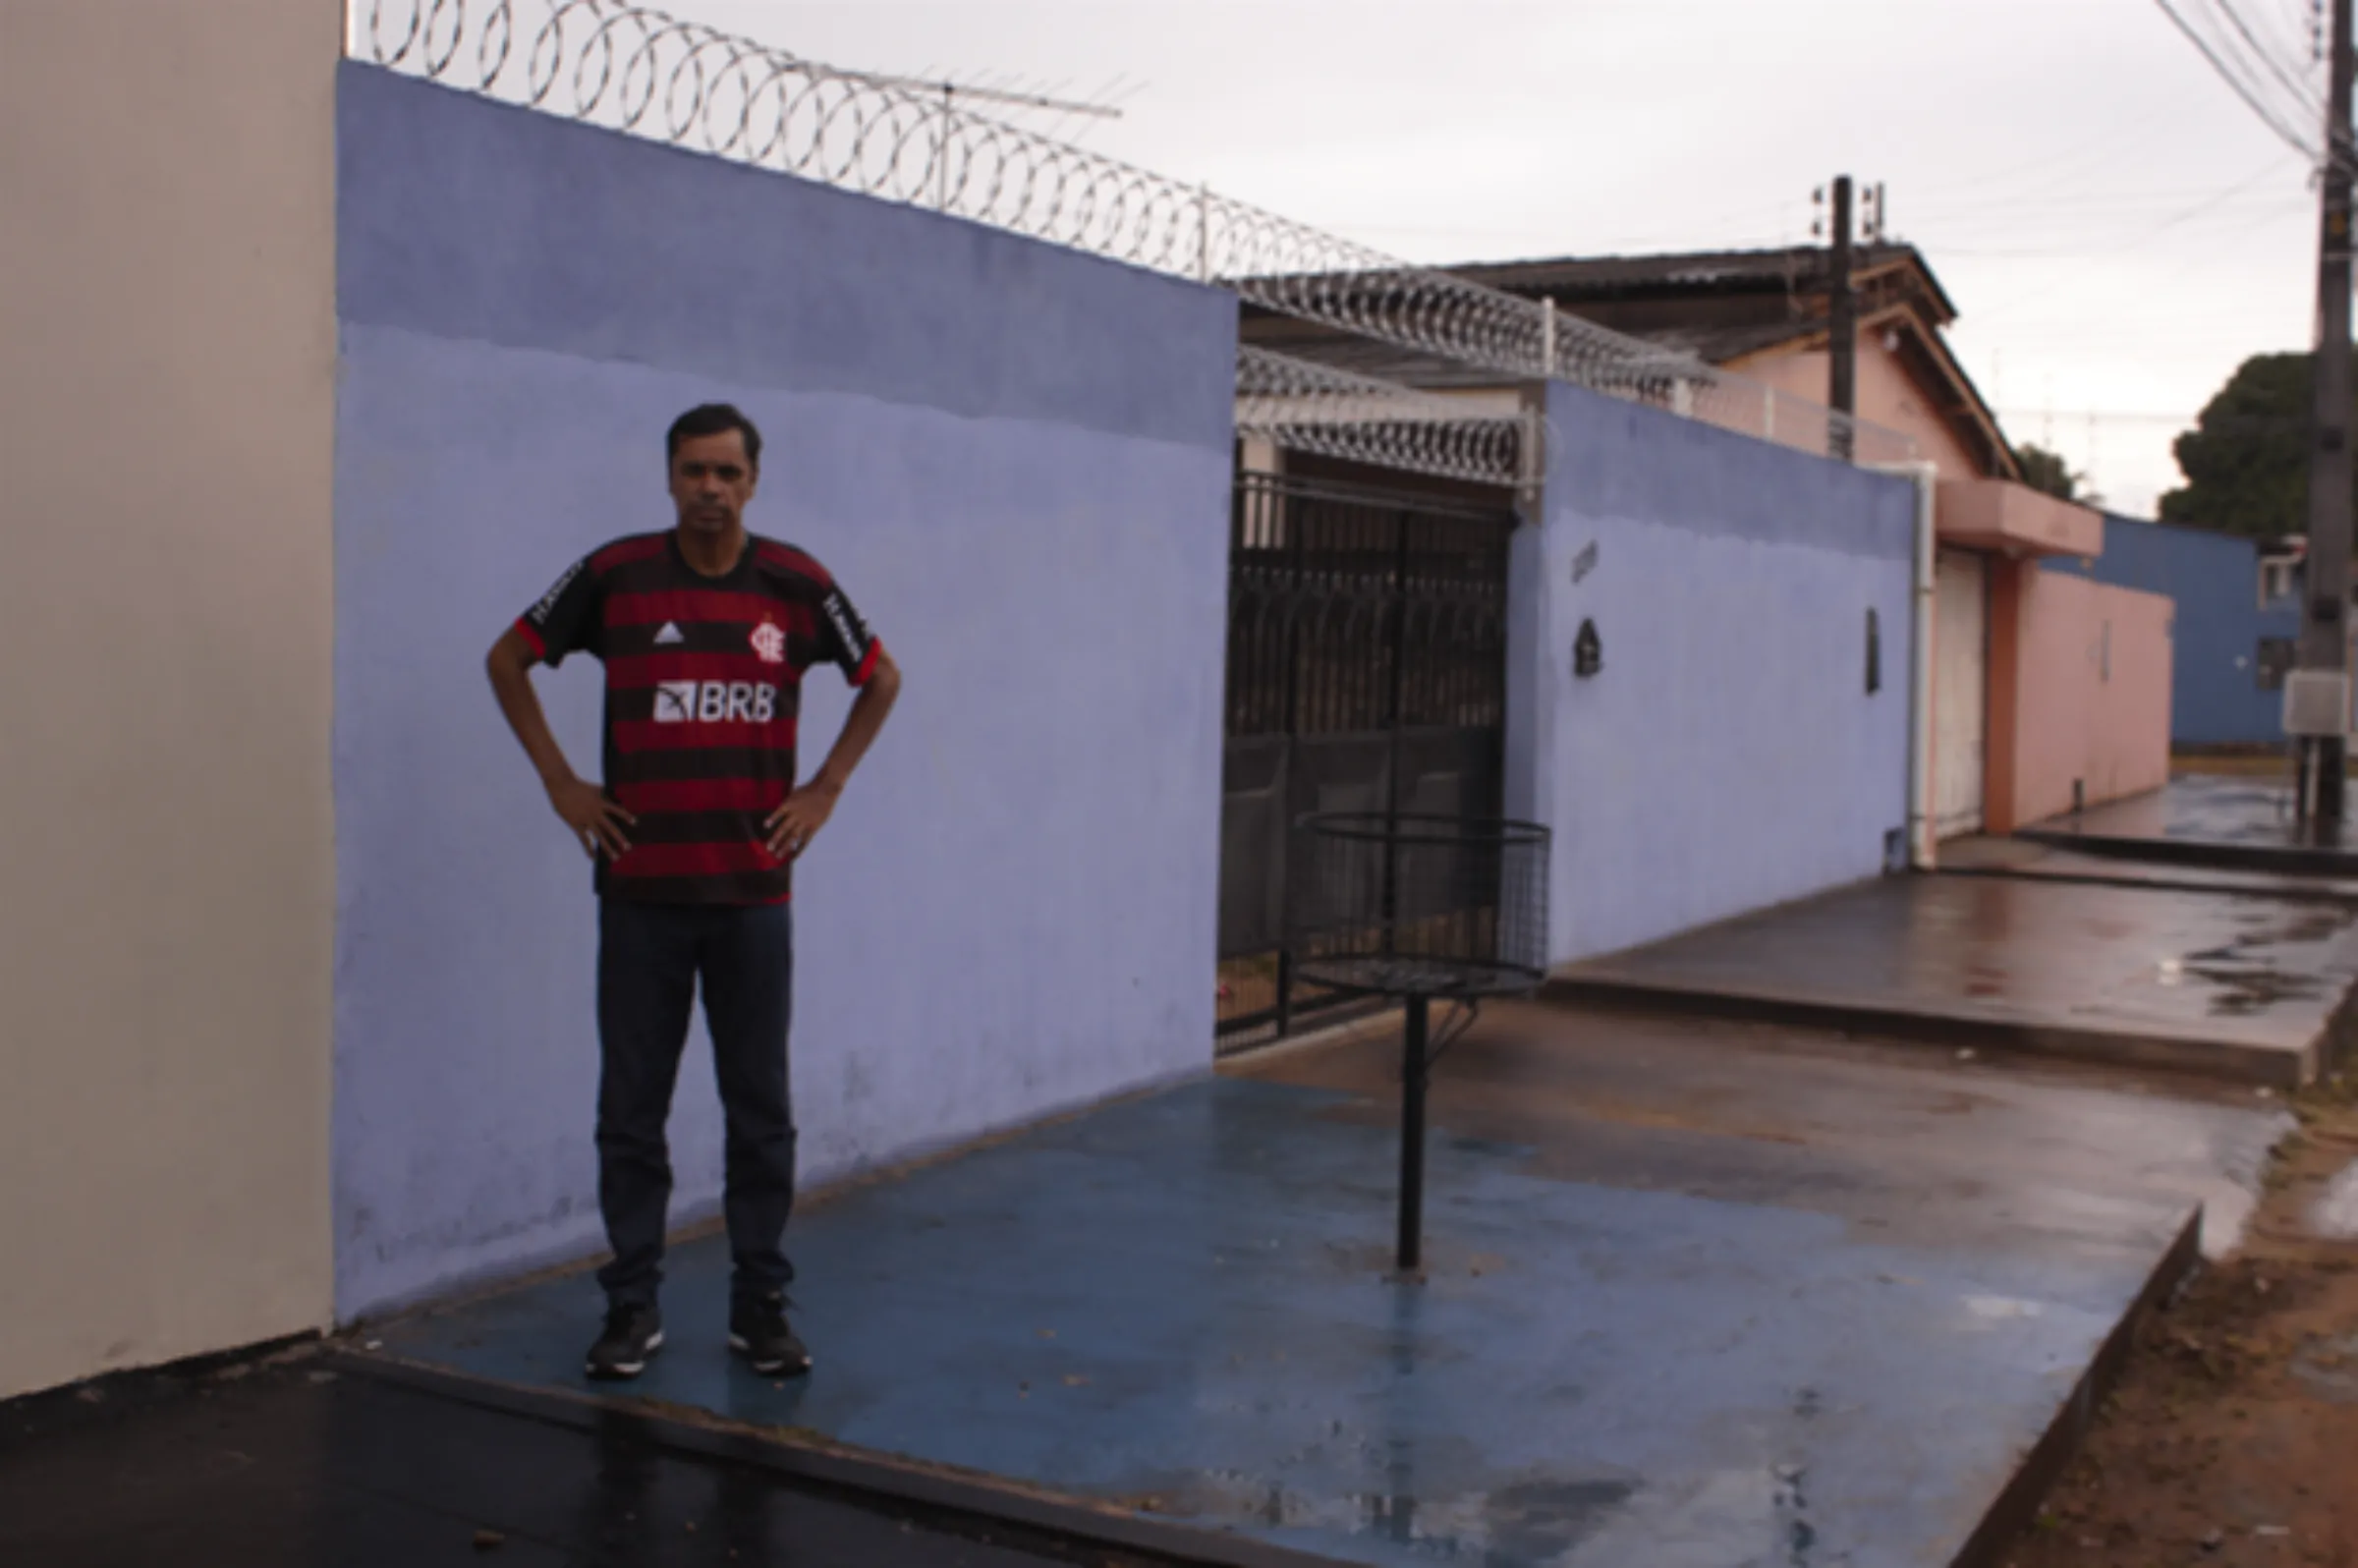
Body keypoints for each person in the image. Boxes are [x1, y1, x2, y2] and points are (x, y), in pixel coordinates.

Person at [485, 404, 901, 1380]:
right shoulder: (615, 578)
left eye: (725, 473)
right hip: (640, 895)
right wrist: (560, 782)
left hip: (753, 897)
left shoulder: (796, 586)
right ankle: (631, 1306)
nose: (709, 488)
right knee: (632, 1109)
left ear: (754, 482)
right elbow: (508, 659)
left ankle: (761, 1305)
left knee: (760, 1108)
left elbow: (878, 679)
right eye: (691, 472)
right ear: (668, 478)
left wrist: (825, 788)